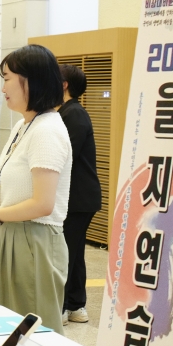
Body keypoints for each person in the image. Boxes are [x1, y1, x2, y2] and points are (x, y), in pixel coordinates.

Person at [0, 44, 71, 334]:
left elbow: (42, 203)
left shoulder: (47, 130)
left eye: (7, 78)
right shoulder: (25, 126)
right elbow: (17, 187)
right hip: (13, 236)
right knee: (7, 327)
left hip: (33, 241)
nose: (3, 88)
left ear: (30, 80)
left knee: (33, 334)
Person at [57, 64, 101, 326]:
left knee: (66, 252)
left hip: (78, 198)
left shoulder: (73, 114)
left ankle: (63, 306)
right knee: (73, 251)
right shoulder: (67, 112)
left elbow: (63, 156)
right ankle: (76, 305)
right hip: (78, 197)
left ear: (63, 85)